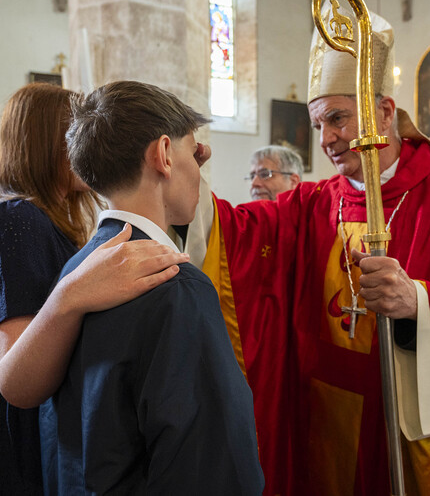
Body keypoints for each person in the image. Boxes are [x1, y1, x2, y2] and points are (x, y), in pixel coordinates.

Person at [185, 9, 430, 496]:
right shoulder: (312, 203)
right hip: (323, 412)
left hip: (416, 421)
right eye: (317, 124)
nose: (326, 138)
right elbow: (236, 238)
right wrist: (185, 177)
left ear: (385, 113)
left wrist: (420, 301)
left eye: (337, 118)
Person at [39, 80, 264, 495]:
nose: (199, 169)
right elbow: (215, 465)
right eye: (192, 153)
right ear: (163, 154)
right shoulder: (176, 288)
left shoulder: (78, 268)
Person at [0, 83, 188, 495]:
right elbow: (15, 375)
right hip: (27, 446)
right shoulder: (19, 220)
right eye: (77, 132)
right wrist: (72, 294)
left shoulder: (45, 220)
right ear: (46, 144)